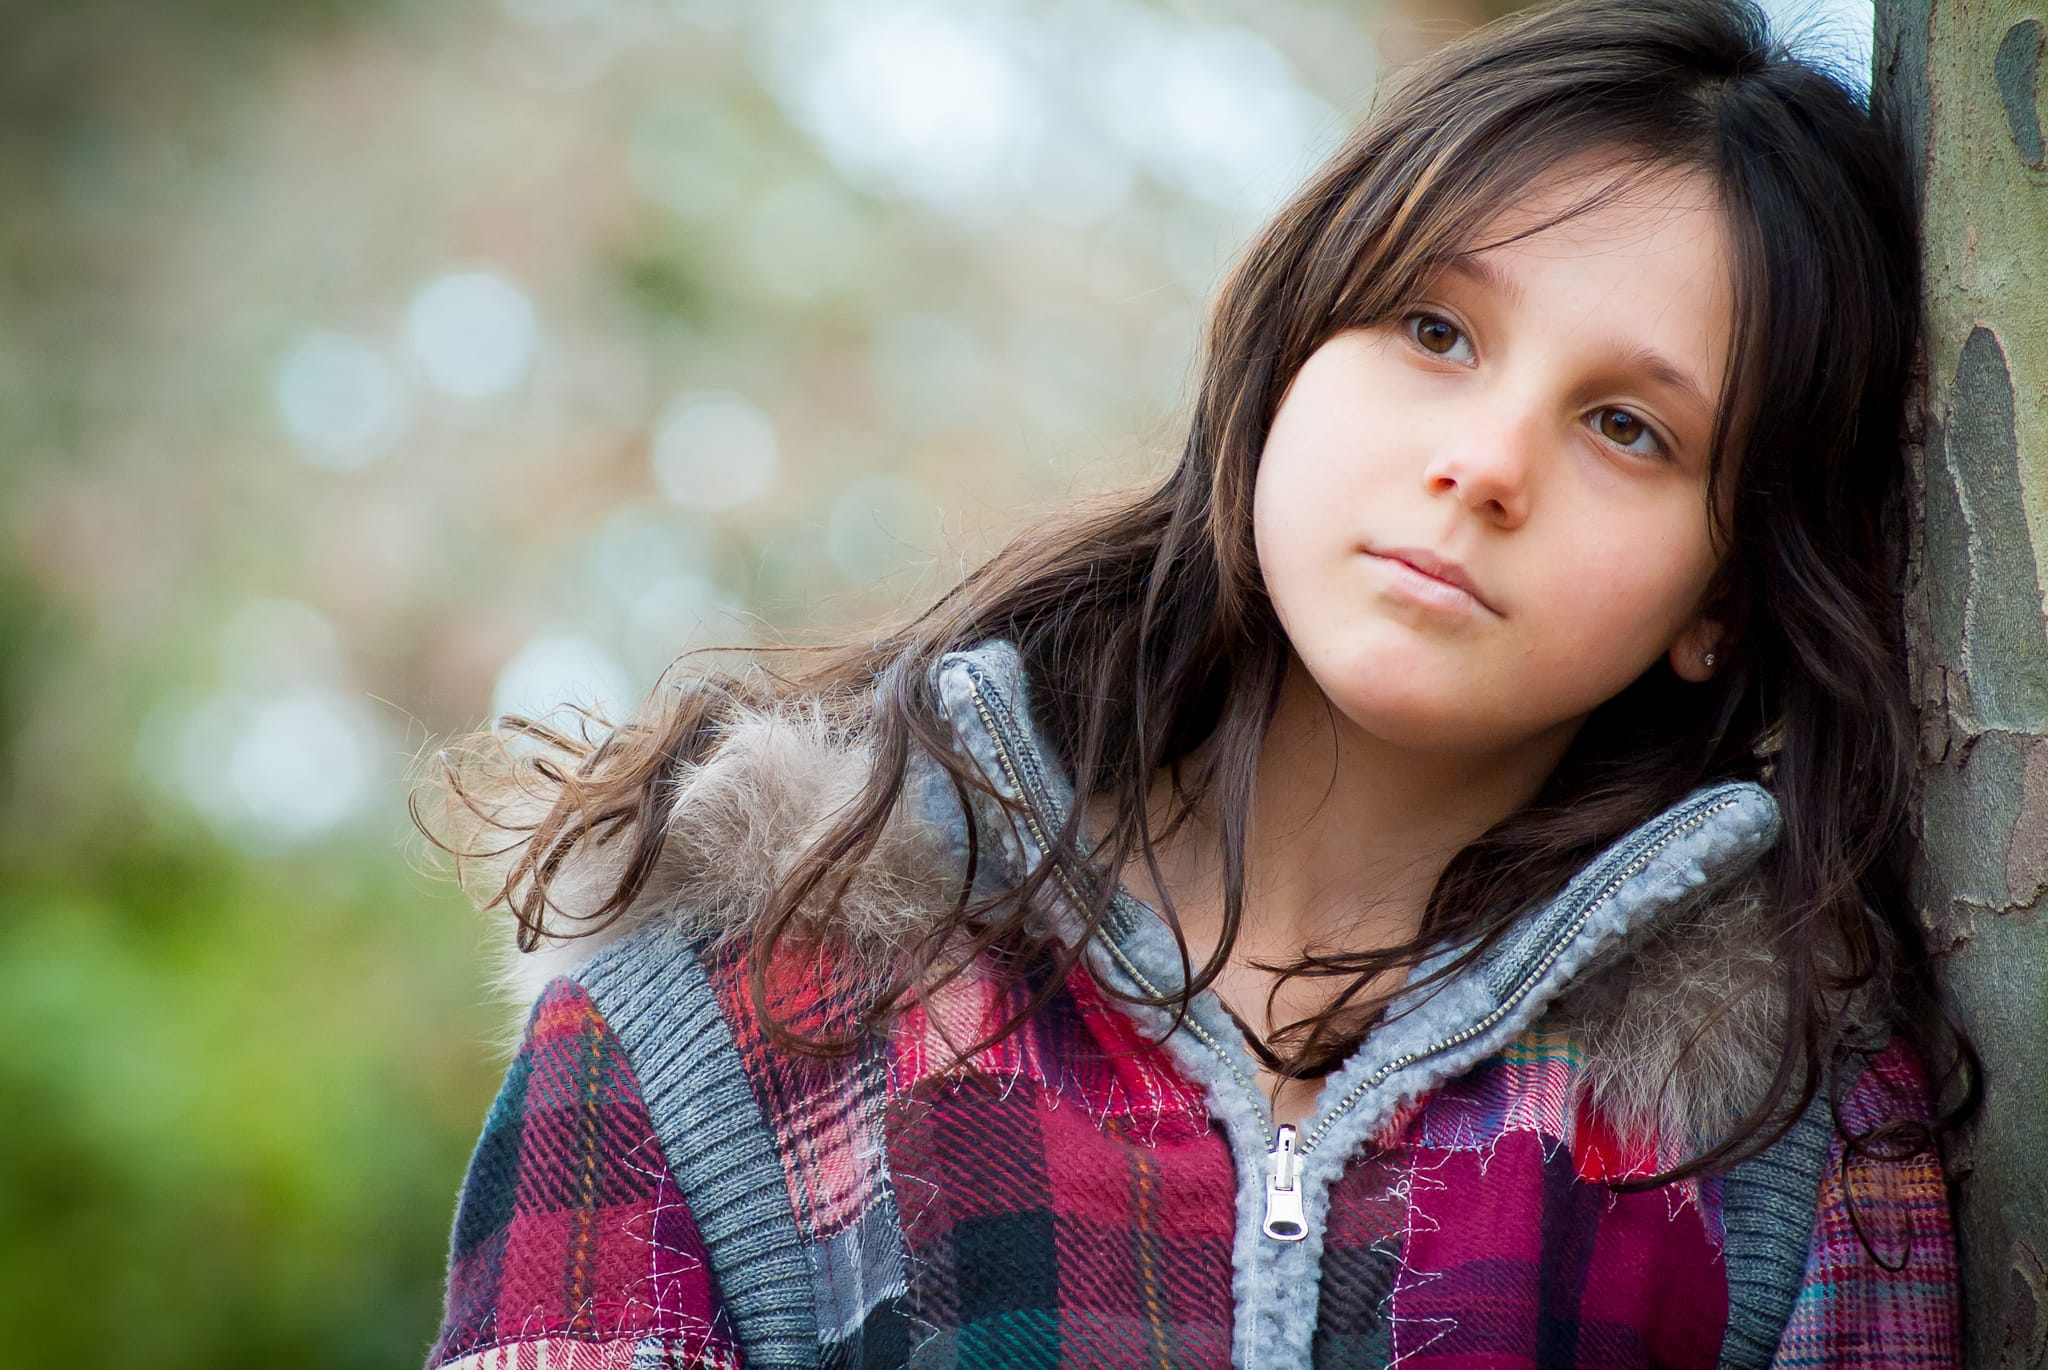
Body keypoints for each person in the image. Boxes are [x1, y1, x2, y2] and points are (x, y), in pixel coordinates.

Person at [411, 0, 1979, 1364]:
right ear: (1285, 357)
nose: (1485, 462)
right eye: (1433, 328)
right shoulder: (742, 992)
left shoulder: (1782, 1133)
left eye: (1630, 428)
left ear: (1723, 594)